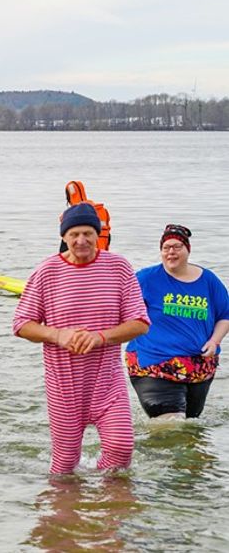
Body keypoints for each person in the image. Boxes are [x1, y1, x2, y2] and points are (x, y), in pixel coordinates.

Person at [14, 203, 149, 475]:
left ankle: (107, 509)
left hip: (107, 382)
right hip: (64, 385)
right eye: (74, 234)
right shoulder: (47, 271)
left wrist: (101, 337)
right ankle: (67, 513)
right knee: (64, 465)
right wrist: (57, 334)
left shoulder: (119, 267)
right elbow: (21, 324)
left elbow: (140, 323)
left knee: (121, 449)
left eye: (88, 233)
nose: (81, 240)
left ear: (97, 234)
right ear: (64, 237)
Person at [126, 224, 229, 420]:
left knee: (191, 426)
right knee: (172, 424)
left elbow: (225, 315)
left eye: (176, 247)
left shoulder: (208, 280)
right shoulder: (145, 279)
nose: (171, 252)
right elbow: (117, 302)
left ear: (187, 250)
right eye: (166, 248)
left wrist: (214, 341)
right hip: (154, 364)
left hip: (199, 368)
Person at [60, 181, 111, 251]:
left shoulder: (71, 215)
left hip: (82, 255)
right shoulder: (102, 210)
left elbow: (65, 246)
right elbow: (108, 236)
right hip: (102, 255)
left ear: (68, 198)